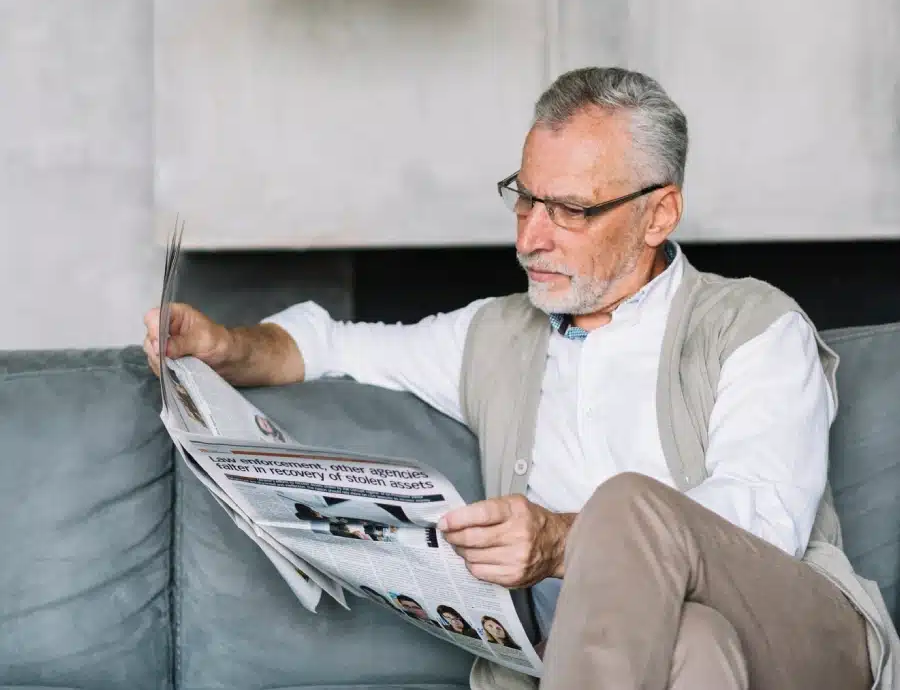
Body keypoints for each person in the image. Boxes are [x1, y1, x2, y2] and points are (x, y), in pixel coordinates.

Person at [145, 67, 899, 690]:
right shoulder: (497, 334)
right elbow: (330, 345)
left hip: (806, 639)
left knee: (631, 507)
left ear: (658, 214)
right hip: (645, 655)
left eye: (570, 209)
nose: (531, 237)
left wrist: (568, 542)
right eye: (525, 198)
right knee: (694, 647)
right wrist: (225, 343)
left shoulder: (756, 327)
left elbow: (762, 525)